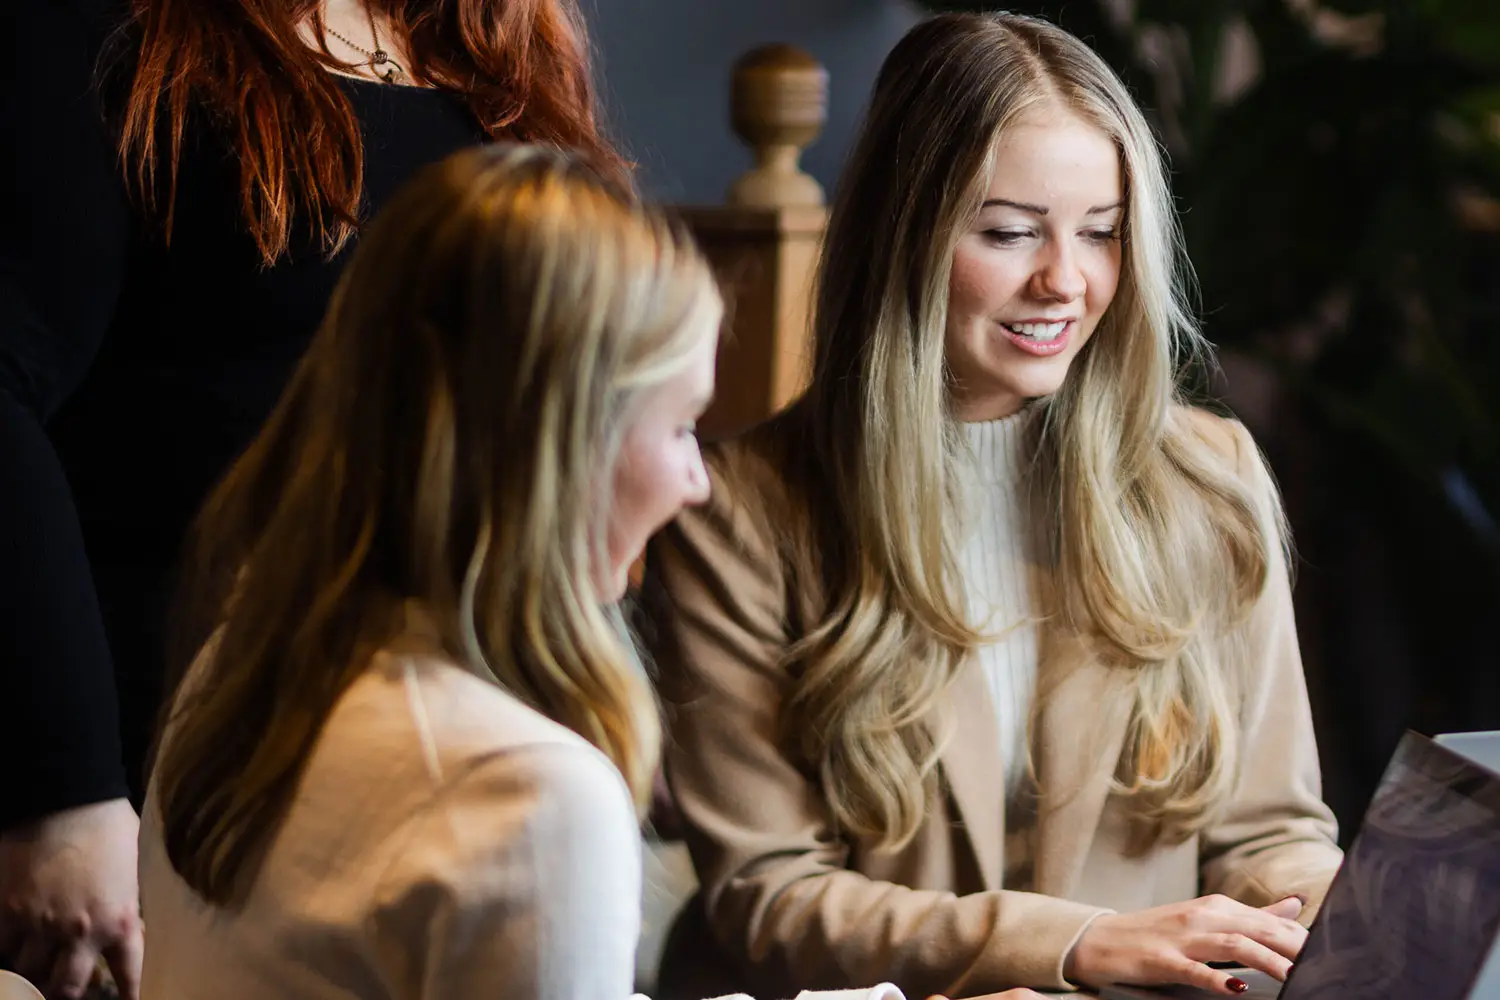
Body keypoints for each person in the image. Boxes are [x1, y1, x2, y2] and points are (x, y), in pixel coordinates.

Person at [137, 143, 1033, 1000]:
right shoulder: (531, 792)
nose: (695, 481)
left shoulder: (244, 669)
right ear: (556, 447)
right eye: (682, 426)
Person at [643, 12, 1344, 1000]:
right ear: (904, 232)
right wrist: (1074, 943)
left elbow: (1268, 832)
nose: (1067, 278)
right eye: (1010, 232)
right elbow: (771, 897)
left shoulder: (1210, 477)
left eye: (1101, 232)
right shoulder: (739, 518)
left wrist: (1342, 907)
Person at [0, 1, 618, 995]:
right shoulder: (114, 31)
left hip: (467, 730)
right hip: (187, 767)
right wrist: (62, 791)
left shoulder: (513, 44)